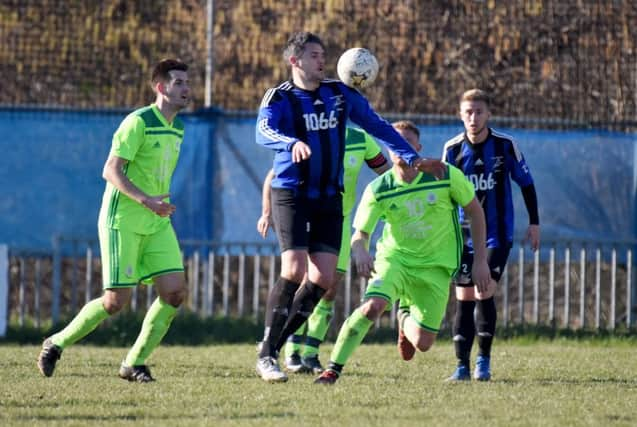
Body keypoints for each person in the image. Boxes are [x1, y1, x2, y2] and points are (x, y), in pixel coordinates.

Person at [254, 31, 446, 382]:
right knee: (294, 269)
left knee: (323, 279)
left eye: (323, 54)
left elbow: (377, 126)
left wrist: (413, 158)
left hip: (330, 197)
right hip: (292, 192)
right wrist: (291, 140)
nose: (321, 60)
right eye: (313, 55)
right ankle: (268, 352)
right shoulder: (280, 97)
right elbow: (263, 130)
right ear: (294, 61)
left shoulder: (340, 94)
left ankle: (273, 347)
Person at [37, 59, 191, 383]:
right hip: (123, 218)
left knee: (175, 293)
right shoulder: (138, 122)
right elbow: (110, 169)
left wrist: (155, 204)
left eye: (186, 83)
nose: (186, 89)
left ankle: (134, 362)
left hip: (156, 219)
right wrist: (145, 200)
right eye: (178, 82)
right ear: (160, 87)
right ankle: (56, 342)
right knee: (114, 302)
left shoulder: (177, 127)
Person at [314, 120, 490, 385]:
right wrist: (360, 251)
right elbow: (360, 233)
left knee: (424, 343)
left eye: (407, 142)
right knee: (372, 307)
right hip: (395, 260)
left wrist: (480, 261)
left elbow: (476, 212)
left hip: (436, 267)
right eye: (395, 142)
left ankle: (403, 314)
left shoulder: (444, 175)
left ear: (418, 147)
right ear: (387, 148)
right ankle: (332, 369)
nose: (401, 147)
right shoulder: (378, 188)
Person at [257, 127, 390, 374]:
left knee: (327, 288)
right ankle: (288, 350)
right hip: (308, 214)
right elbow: (273, 175)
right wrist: (266, 212)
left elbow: (388, 173)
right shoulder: (312, 132)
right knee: (301, 279)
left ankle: (310, 352)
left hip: (338, 219)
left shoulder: (361, 139)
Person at [442, 88, 540, 381]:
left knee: (485, 290)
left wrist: (534, 223)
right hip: (463, 235)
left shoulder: (506, 146)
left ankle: (483, 362)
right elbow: (445, 194)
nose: (473, 118)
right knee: (464, 296)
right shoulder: (452, 149)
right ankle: (461, 367)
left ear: (489, 114)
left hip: (497, 234)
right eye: (468, 112)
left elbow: (526, 183)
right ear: (460, 115)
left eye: (479, 112)